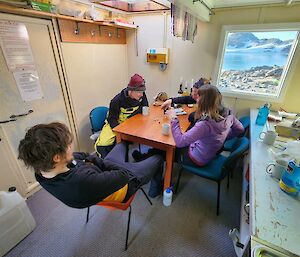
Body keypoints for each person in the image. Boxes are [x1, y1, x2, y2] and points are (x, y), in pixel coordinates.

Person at [18, 122, 164, 209]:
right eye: (68, 146)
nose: (72, 147)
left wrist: (100, 163)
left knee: (123, 142)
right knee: (159, 156)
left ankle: (141, 158)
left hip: (103, 174)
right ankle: (155, 188)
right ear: (56, 157)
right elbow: (123, 175)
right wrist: (106, 165)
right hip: (125, 184)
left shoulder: (42, 171)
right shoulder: (82, 181)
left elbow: (85, 156)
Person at [168, 84, 244, 167]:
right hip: (212, 153)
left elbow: (180, 142)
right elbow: (240, 129)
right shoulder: (229, 114)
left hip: (197, 159)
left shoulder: (205, 124)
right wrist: (223, 137)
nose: (196, 100)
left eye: (198, 97)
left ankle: (162, 177)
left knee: (165, 150)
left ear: (203, 101)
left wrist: (174, 119)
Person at [95, 74, 149, 158]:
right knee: (103, 144)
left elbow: (145, 107)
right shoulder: (116, 100)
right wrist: (120, 132)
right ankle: (105, 162)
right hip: (116, 123)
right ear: (130, 91)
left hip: (131, 122)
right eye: (139, 92)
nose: (141, 95)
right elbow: (112, 119)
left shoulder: (142, 96)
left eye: (142, 92)